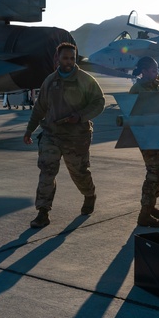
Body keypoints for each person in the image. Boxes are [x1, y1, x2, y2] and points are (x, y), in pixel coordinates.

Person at [23, 42, 105, 228]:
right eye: (65, 58)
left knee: (79, 172)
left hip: (77, 137)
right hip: (52, 135)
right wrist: (29, 130)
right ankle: (43, 212)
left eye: (72, 58)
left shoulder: (85, 80)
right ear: (58, 58)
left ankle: (89, 195)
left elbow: (99, 103)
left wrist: (81, 116)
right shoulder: (50, 81)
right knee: (47, 172)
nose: (69, 62)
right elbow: (40, 108)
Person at [130, 57, 159, 227]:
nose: (157, 73)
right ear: (145, 71)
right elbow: (134, 113)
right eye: (154, 70)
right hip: (146, 135)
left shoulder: (156, 86)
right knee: (153, 173)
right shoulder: (137, 89)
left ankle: (151, 206)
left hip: (158, 133)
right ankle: (144, 214)